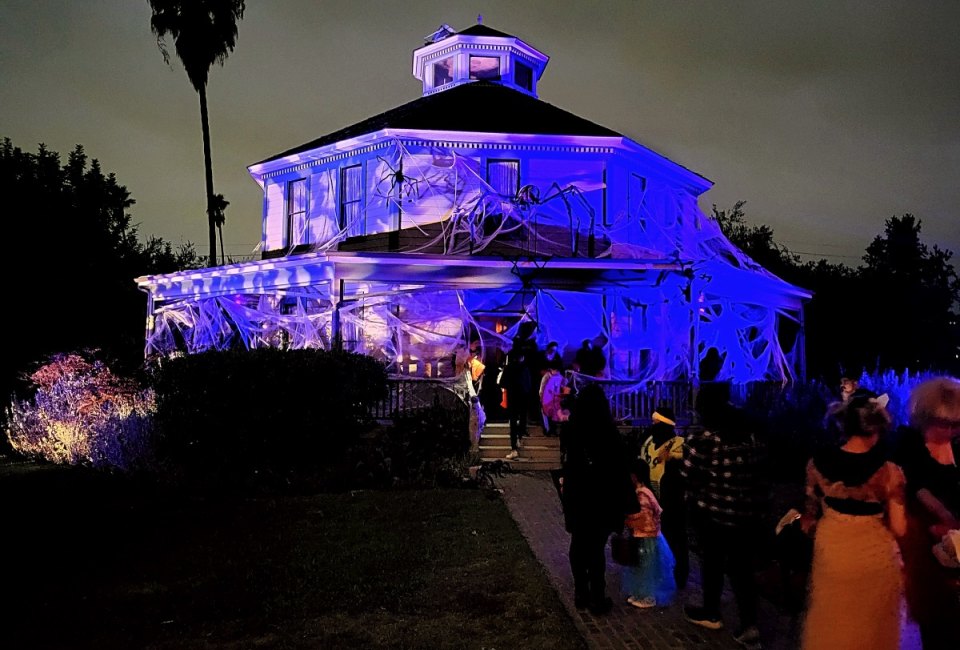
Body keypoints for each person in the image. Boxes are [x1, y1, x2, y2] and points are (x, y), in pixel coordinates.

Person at [799, 393, 907, 650]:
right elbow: (899, 527)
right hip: (874, 555)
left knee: (833, 619)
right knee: (871, 626)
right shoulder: (890, 472)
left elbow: (810, 511)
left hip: (833, 548)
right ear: (877, 428)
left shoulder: (816, 464)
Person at [683, 382, 766, 650]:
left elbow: (689, 477)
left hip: (714, 515)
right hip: (746, 516)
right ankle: (749, 624)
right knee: (742, 570)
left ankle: (711, 611)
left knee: (713, 564)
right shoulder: (749, 437)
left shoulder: (706, 440)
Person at [561, 383, 638, 615]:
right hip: (602, 498)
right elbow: (619, 469)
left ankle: (581, 591)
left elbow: (567, 463)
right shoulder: (609, 432)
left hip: (579, 496)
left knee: (578, 544)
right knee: (595, 549)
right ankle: (597, 595)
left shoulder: (571, 429)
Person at [895, 377, 960, 649]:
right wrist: (946, 518)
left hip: (956, 536)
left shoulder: (958, 444)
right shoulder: (909, 444)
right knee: (936, 618)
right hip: (926, 540)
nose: (950, 430)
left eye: (956, 424)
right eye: (944, 423)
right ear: (925, 417)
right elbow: (917, 487)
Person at [638, 405, 689, 589]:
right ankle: (658, 573)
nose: (653, 426)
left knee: (676, 539)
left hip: (672, 502)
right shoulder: (648, 442)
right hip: (651, 500)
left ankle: (679, 575)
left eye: (656, 422)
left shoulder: (678, 445)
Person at [622, 460, 677, 609]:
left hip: (645, 536)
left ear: (635, 475)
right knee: (640, 566)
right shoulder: (645, 491)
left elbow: (643, 516)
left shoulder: (642, 494)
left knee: (645, 567)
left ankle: (646, 596)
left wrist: (628, 520)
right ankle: (640, 593)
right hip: (645, 534)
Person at [498, 346, 532, 460]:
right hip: (523, 398)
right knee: (522, 418)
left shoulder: (508, 368)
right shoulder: (525, 369)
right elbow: (529, 385)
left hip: (512, 397)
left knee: (512, 422)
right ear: (522, 357)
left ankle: (513, 449)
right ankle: (520, 436)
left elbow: (502, 383)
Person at [539, 358, 568, 436]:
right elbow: (542, 388)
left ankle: (553, 430)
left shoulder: (559, 376)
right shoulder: (546, 376)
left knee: (555, 415)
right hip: (547, 399)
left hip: (556, 400)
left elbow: (563, 385)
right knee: (547, 416)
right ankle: (547, 431)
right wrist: (541, 398)